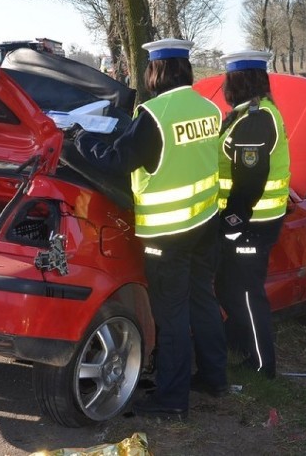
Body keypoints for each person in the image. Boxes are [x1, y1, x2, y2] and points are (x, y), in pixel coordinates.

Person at [73, 38, 227, 418]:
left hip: (168, 233)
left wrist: (79, 140)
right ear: (185, 70)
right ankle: (214, 378)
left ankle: (172, 400)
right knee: (202, 300)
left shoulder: (155, 114)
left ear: (156, 71)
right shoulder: (209, 109)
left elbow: (116, 161)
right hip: (205, 222)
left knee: (171, 313)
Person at [215, 50, 291, 379]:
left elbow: (250, 179)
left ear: (240, 81)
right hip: (248, 219)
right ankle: (242, 345)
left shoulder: (256, 120)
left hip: (251, 222)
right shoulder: (245, 116)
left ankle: (262, 363)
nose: (225, 86)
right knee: (229, 286)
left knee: (246, 291)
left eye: (228, 80)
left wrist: (233, 223)